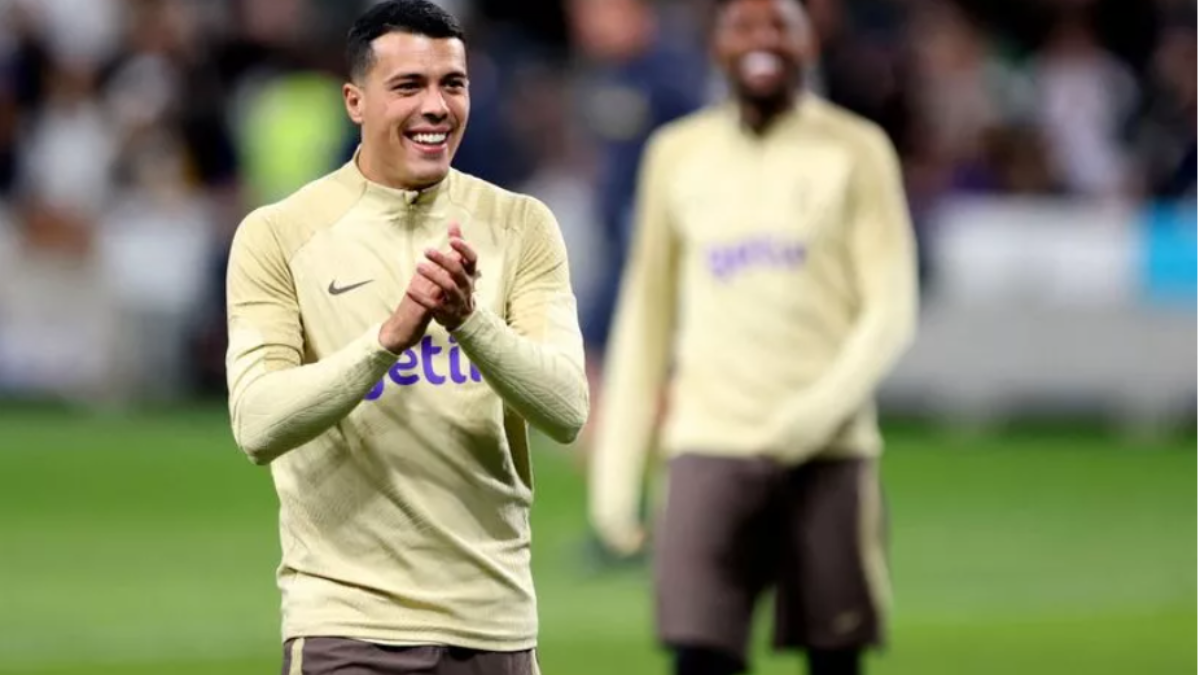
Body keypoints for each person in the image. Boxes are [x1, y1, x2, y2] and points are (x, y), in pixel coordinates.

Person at [224, 2, 588, 674]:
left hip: (495, 622)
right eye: (409, 86)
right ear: (354, 101)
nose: (436, 106)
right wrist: (386, 339)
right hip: (347, 624)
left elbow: (566, 409)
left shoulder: (521, 225)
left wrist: (469, 321)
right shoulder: (279, 234)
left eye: (453, 84)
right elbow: (256, 421)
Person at [588, 0, 918, 674]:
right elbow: (645, 316)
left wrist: (814, 415)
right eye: (744, 24)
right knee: (699, 655)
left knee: (835, 656)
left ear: (810, 42)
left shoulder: (856, 150)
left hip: (829, 451)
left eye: (781, 25)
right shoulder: (676, 154)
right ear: (717, 46)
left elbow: (891, 308)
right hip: (708, 443)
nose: (762, 39)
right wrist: (616, 474)